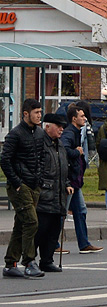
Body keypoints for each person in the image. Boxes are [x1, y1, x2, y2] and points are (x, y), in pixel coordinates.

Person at [2, 99, 45, 279]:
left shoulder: (40, 133)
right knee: (31, 221)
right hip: (20, 186)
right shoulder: (15, 134)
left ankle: (10, 263)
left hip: (34, 185)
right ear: (25, 114)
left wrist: (40, 178)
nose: (39, 116)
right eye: (36, 113)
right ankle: (29, 261)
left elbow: (41, 157)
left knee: (21, 223)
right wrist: (17, 182)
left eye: (40, 112)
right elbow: (4, 160)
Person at [59, 103, 102, 254]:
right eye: (82, 116)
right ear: (73, 118)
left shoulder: (76, 131)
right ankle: (53, 244)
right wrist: (77, 152)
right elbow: (63, 150)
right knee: (62, 212)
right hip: (70, 180)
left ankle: (84, 244)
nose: (85, 119)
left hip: (76, 181)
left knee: (81, 211)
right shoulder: (70, 133)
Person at [33, 113, 72, 274]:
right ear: (47, 127)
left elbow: (63, 168)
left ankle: (47, 260)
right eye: (58, 126)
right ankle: (30, 260)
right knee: (41, 230)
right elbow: (37, 168)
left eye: (63, 126)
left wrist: (67, 183)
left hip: (59, 195)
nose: (61, 129)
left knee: (54, 231)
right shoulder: (41, 144)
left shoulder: (59, 145)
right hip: (45, 194)